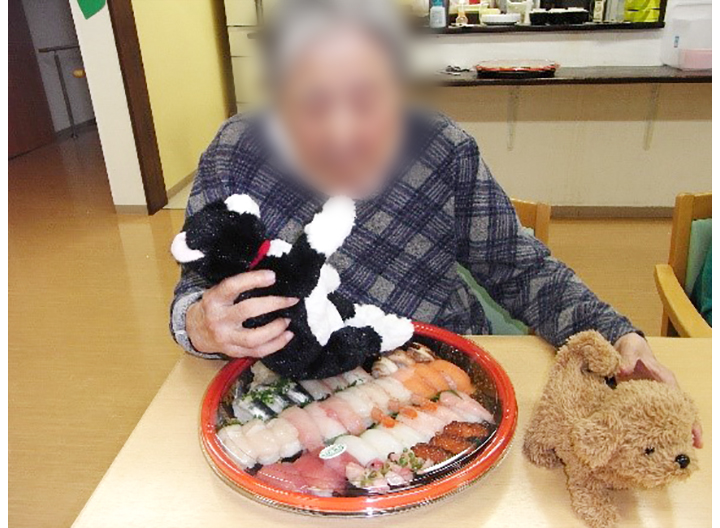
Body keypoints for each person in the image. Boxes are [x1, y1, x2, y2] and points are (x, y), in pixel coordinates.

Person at [170, 0, 700, 446]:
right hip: (296, 382)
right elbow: (195, 289)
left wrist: (617, 336)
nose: (342, 132)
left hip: (442, 371)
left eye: (366, 99)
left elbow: (518, 268)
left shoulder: (441, 147)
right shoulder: (237, 151)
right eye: (313, 102)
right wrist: (199, 325)